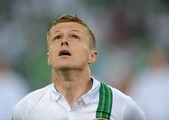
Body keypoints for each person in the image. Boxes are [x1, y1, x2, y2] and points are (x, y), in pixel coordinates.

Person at [12, 15, 145, 120]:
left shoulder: (123, 108)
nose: (64, 41)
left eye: (74, 36)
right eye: (57, 37)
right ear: (49, 58)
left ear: (92, 56)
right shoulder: (26, 109)